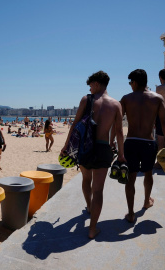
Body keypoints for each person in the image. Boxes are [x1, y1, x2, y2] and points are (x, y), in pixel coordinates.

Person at [61, 71, 126, 239]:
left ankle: (89, 207)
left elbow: (75, 124)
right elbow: (119, 132)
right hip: (103, 149)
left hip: (85, 148)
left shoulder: (86, 100)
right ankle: (92, 229)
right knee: (98, 191)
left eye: (91, 85)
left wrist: (67, 145)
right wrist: (121, 155)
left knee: (85, 179)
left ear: (97, 84)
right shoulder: (116, 105)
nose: (90, 89)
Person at [117, 69, 165, 223]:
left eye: (130, 82)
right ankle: (146, 201)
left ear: (135, 82)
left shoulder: (126, 98)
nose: (130, 85)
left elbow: (117, 122)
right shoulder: (157, 99)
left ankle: (131, 214)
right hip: (148, 142)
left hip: (131, 141)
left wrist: (114, 142)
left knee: (131, 177)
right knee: (148, 173)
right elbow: (164, 124)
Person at [154, 69, 165, 168]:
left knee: (161, 139)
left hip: (162, 115)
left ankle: (160, 163)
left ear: (161, 78)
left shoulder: (159, 89)